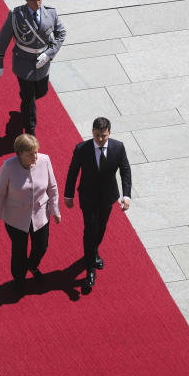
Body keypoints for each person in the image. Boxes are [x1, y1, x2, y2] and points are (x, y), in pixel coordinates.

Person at [64, 117, 132, 294]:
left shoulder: (118, 147)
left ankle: (93, 252)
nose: (100, 139)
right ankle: (90, 271)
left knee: (101, 227)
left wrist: (126, 195)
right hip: (87, 197)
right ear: (92, 132)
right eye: (97, 135)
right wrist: (68, 195)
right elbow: (73, 172)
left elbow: (125, 170)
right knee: (90, 229)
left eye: (103, 135)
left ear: (109, 133)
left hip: (107, 197)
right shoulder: (82, 149)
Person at [0, 0, 66, 136]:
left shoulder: (50, 13)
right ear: (26, 0)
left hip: (42, 62)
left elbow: (61, 34)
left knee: (42, 91)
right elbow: (3, 38)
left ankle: (26, 101)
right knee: (29, 99)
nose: (37, 3)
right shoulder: (16, 15)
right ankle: (30, 129)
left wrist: (49, 54)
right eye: (33, 1)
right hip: (23, 62)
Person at [0, 133, 61, 291]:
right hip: (15, 219)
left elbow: (52, 187)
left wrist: (55, 210)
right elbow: (0, 192)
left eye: (36, 152)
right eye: (30, 154)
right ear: (19, 153)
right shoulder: (8, 166)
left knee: (41, 246)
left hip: (40, 215)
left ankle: (32, 266)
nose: (35, 156)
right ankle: (19, 278)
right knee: (19, 251)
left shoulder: (45, 160)